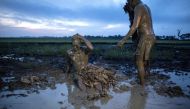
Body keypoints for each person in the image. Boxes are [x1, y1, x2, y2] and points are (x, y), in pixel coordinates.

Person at [117, 0, 156, 86]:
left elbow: (135, 26)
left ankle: (142, 86)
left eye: (129, 1)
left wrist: (123, 40)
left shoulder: (138, 7)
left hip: (145, 37)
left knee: (138, 61)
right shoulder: (146, 7)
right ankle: (145, 76)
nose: (129, 3)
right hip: (151, 36)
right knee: (143, 59)